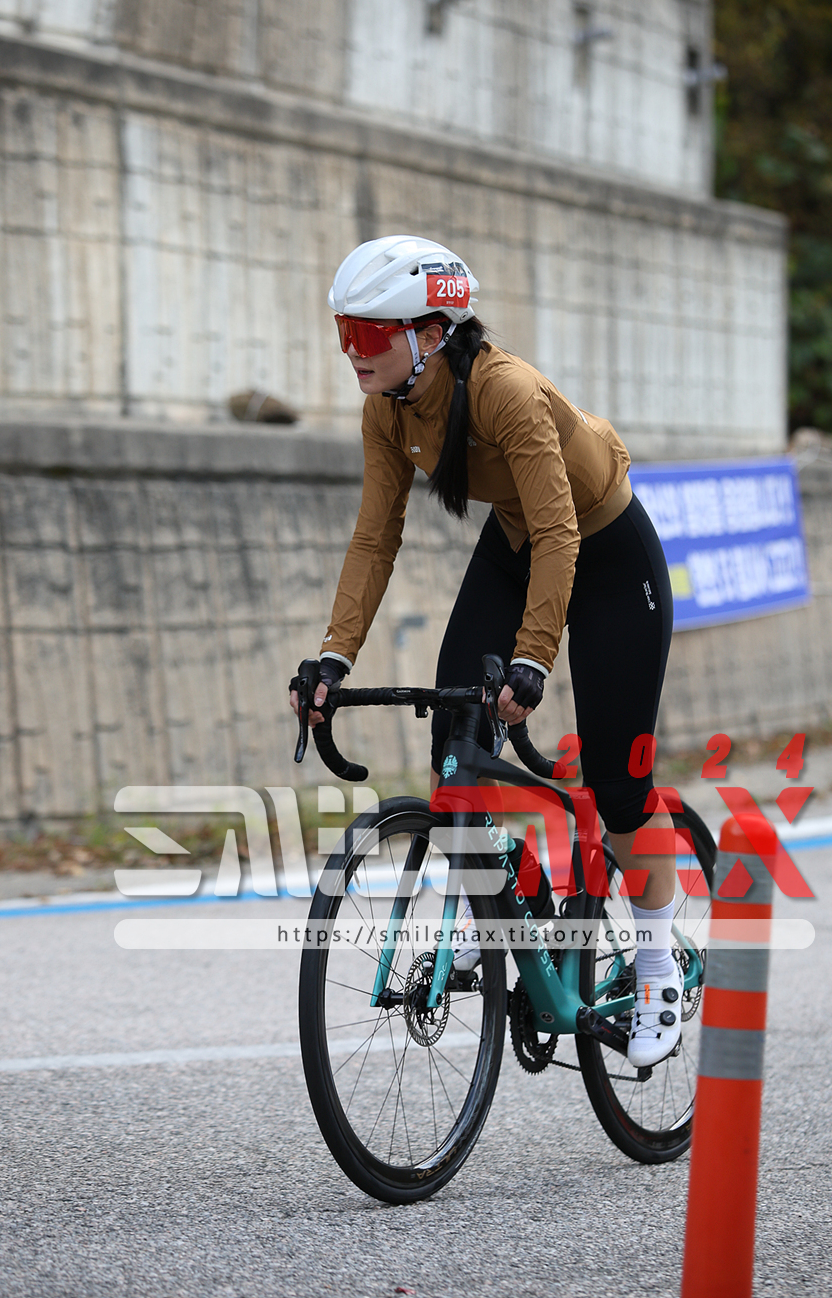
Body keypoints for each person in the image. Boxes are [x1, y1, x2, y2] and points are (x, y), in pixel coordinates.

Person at [289, 234, 683, 1068]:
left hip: (607, 554)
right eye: (344, 333)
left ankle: (657, 968)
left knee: (619, 786)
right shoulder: (387, 408)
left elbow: (561, 532)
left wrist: (534, 658)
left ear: (431, 334)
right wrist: (333, 658)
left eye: (368, 334)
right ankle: (493, 901)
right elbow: (375, 537)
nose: (352, 351)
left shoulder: (506, 391)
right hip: (518, 545)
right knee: (456, 737)